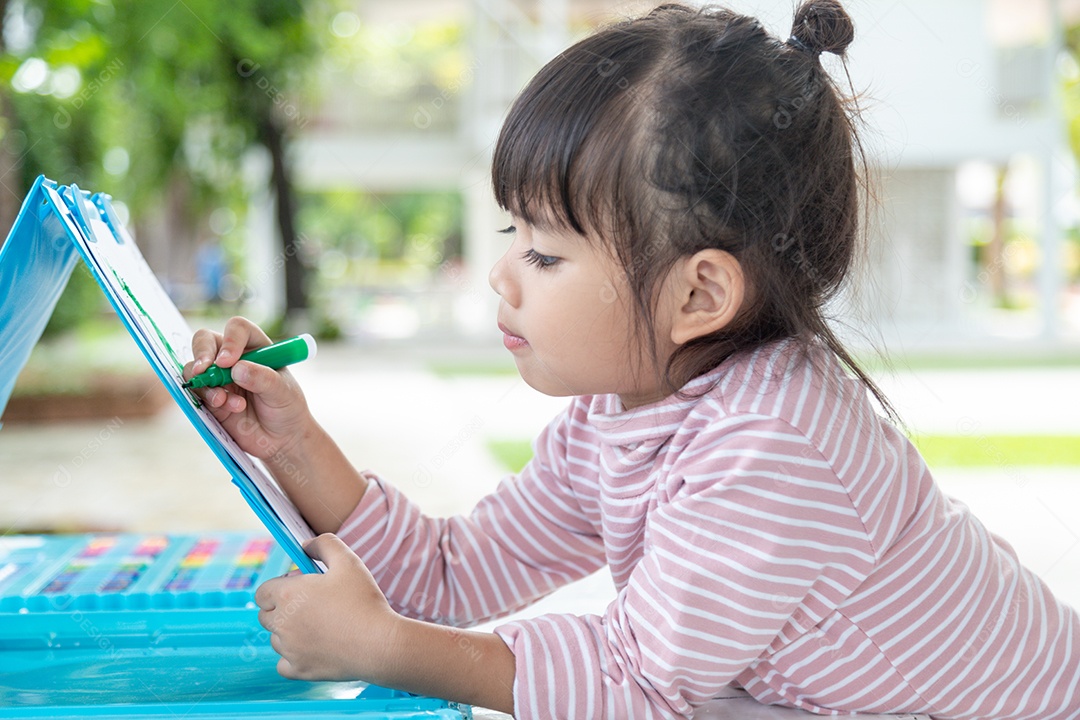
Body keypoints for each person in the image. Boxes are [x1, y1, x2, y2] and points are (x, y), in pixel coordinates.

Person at [186, 2, 1080, 718]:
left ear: (697, 296)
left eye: (544, 251)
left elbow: (636, 689)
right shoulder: (621, 415)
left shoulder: (773, 448)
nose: (503, 273)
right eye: (513, 231)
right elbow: (451, 576)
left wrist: (385, 649)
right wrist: (291, 441)